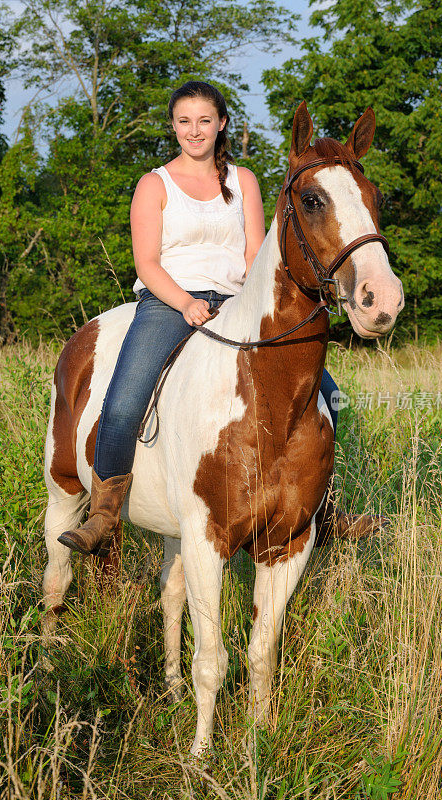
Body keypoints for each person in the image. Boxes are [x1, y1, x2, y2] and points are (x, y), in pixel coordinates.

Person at [58, 80, 346, 558]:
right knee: (127, 396)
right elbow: (147, 263)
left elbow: (257, 252)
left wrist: (259, 305)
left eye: (205, 121)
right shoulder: (155, 185)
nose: (195, 131)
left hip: (237, 303)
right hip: (169, 302)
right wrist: (185, 303)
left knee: (327, 396)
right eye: (185, 121)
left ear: (222, 124)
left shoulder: (243, 180)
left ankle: (324, 506)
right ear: (173, 126)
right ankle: (105, 510)